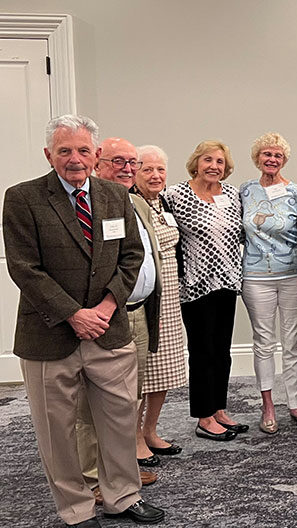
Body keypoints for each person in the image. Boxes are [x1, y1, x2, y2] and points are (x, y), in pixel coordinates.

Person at [2, 114, 165, 526]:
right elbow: (24, 267)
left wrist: (107, 308)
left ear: (95, 155)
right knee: (58, 431)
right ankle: (75, 508)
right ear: (48, 155)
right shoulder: (23, 198)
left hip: (109, 332)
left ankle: (122, 497)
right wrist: (74, 314)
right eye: (64, 151)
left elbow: (131, 257)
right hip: (50, 334)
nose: (74, 159)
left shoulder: (114, 195)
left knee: (119, 419)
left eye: (82, 151)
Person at [78, 137, 162, 503]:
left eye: (133, 162)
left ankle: (122, 468)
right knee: (91, 405)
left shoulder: (135, 203)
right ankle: (93, 478)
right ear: (98, 163)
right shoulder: (89, 203)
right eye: (118, 162)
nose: (128, 168)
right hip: (103, 317)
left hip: (138, 311)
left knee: (129, 398)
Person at [165, 140, 246, 441]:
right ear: (196, 162)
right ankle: (203, 416)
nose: (214, 166)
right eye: (208, 160)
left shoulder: (232, 194)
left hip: (227, 281)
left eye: (220, 162)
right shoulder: (175, 195)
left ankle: (219, 409)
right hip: (195, 285)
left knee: (222, 351)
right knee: (202, 352)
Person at [241, 133, 297, 434]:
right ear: (257, 157)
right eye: (266, 154)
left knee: (292, 343)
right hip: (256, 277)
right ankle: (268, 404)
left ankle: (294, 402)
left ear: (284, 160)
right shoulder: (245, 191)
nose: (271, 160)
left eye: (277, 155)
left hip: (292, 275)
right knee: (263, 342)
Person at [133, 145, 188, 459]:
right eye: (147, 170)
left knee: (165, 367)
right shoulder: (131, 202)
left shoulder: (164, 202)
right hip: (146, 296)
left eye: (160, 170)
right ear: (136, 173)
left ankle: (150, 431)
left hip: (170, 296)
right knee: (144, 372)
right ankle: (134, 439)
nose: (155, 176)